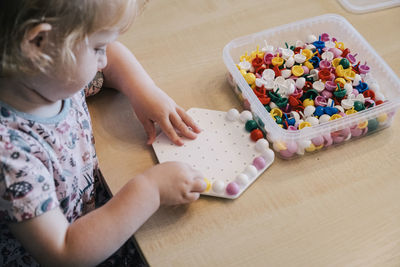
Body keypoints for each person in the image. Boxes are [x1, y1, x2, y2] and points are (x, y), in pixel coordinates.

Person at [0, 0, 207, 266]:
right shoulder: (10, 157)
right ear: (39, 43)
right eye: (97, 48)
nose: (104, 59)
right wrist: (150, 189)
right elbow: (64, 252)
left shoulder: (47, 76)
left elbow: (113, 58)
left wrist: (143, 90)